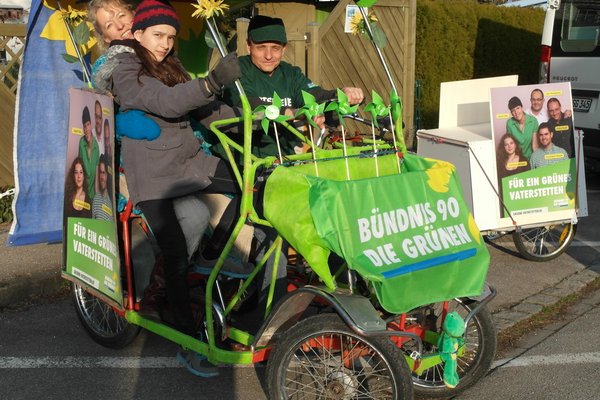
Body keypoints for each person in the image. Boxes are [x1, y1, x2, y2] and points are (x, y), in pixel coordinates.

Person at [107, 0, 242, 377]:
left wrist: (258, 119)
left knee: (252, 184)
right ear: (138, 34)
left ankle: (212, 254)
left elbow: (206, 111)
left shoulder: (171, 65)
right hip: (153, 176)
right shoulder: (126, 67)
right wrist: (210, 83)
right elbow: (163, 101)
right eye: (158, 35)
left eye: (170, 36)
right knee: (176, 255)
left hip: (188, 163)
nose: (165, 44)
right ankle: (187, 340)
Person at [221, 15, 365, 158]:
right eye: (261, 48)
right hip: (241, 160)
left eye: (275, 48)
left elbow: (314, 94)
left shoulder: (290, 73)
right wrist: (293, 112)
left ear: (284, 49)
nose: (268, 56)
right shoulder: (235, 71)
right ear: (248, 46)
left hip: (285, 159)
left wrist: (340, 94)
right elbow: (247, 105)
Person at [505, 96, 538, 160]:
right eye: (513, 110)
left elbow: (535, 145)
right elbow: (510, 145)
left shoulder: (533, 121)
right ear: (511, 113)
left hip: (530, 158)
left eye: (518, 108)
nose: (516, 112)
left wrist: (537, 160)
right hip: (517, 159)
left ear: (522, 108)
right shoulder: (509, 123)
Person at [78, 106, 100, 199]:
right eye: (84, 126)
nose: (86, 129)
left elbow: (96, 177)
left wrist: (96, 198)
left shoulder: (96, 146)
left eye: (88, 125)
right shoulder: (81, 142)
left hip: (91, 194)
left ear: (91, 124)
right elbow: (78, 166)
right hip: (82, 191)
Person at [92, 154, 113, 220]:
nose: (102, 177)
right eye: (100, 172)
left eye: (104, 173)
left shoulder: (111, 199)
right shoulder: (96, 198)